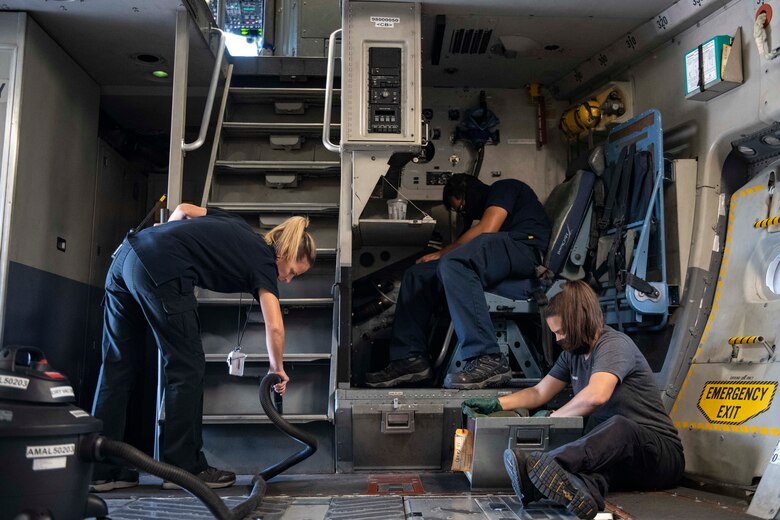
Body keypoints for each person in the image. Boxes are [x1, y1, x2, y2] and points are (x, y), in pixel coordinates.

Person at [90, 203, 316, 491]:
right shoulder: (264, 261)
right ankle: (184, 468)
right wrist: (277, 368)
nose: (287, 279)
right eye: (292, 272)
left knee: (117, 364)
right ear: (283, 254)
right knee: (187, 367)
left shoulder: (237, 224)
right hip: (160, 268)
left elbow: (183, 209)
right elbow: (274, 325)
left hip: (125, 256)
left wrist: (165, 238)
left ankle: (102, 470)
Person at [463, 280, 684, 519]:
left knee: (620, 427)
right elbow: (539, 392)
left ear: (580, 321)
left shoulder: (613, 345)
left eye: (560, 331)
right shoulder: (572, 354)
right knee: (588, 475)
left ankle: (542, 467)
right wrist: (497, 404)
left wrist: (554, 416)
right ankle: (579, 494)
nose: (558, 339)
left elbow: (597, 395)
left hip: (660, 456)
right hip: (619, 458)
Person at [365, 174, 551, 389]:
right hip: (498, 253)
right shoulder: (484, 229)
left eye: (462, 205)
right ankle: (410, 359)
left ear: (467, 192)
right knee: (418, 274)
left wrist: (444, 253)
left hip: (524, 248)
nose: (463, 211)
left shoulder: (505, 187)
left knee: (453, 262)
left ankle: (487, 358)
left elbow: (487, 229)